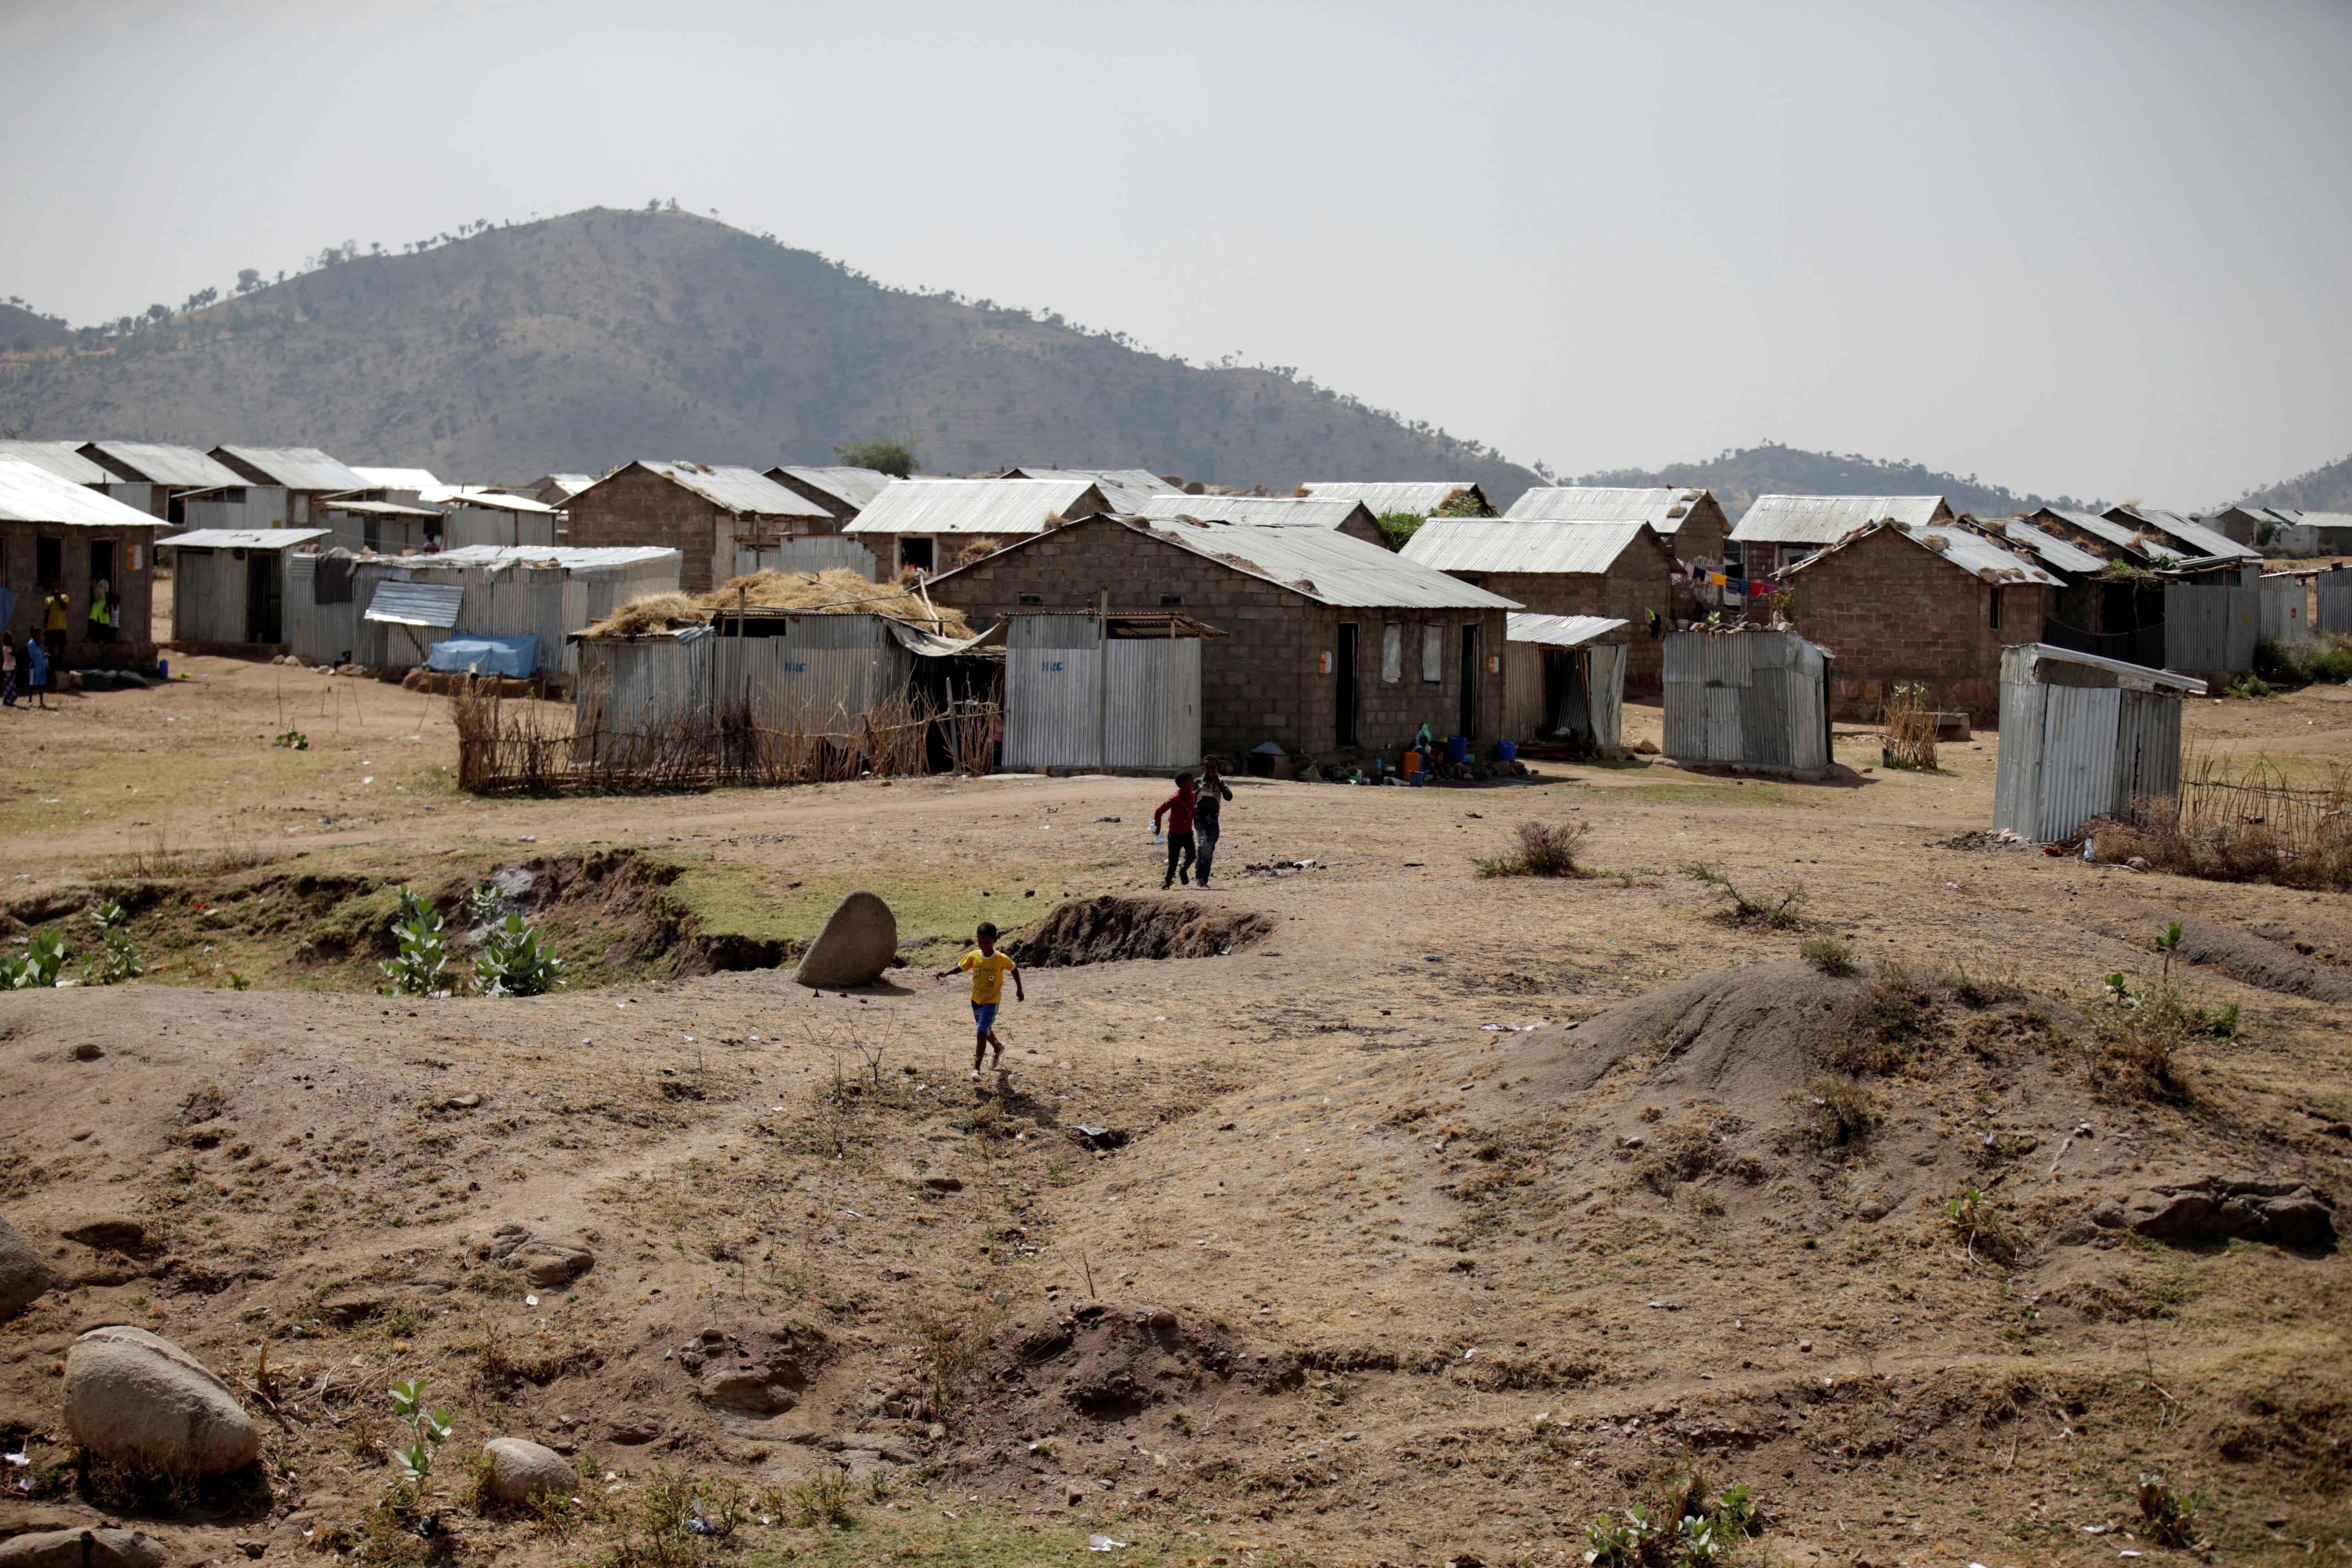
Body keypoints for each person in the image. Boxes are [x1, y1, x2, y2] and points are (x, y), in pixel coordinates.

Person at [936, 921, 1022, 1078]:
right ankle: (998, 1048)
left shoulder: (1001, 959)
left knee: (981, 1032)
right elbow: (961, 967)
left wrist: (1019, 989)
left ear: (995, 940)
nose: (984, 946)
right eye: (981, 942)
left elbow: (1014, 969)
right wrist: (946, 974)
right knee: (985, 1030)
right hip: (976, 1001)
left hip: (992, 1001)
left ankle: (976, 1069)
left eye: (987, 942)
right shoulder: (974, 956)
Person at [1192, 756, 1234, 887]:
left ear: (1217, 768)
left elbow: (1229, 797)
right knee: (1202, 845)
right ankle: (1199, 877)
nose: (1210, 770)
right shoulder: (1198, 782)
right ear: (1203, 768)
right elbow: (1191, 800)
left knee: (1210, 848)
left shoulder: (1221, 782)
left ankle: (1205, 880)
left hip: (1213, 820)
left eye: (1213, 768)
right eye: (1208, 767)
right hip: (1201, 819)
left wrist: (1220, 784)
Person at [1153, 771, 1197, 888]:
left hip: (1188, 833)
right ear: (1182, 785)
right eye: (1190, 781)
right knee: (1173, 861)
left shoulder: (1193, 796)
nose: (1193, 783)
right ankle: (1167, 882)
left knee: (1192, 856)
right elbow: (1159, 811)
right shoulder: (1175, 798)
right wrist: (1158, 827)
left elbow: (1193, 811)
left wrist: (1196, 823)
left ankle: (1183, 870)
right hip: (1175, 835)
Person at [43, 587, 69, 676]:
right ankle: (52, 671)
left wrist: (59, 598)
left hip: (61, 629)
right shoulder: (48, 600)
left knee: (62, 650)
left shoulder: (65, 597)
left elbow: (64, 608)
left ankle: (63, 671)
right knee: (51, 651)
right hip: (50, 630)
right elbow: (46, 615)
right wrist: (45, 628)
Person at [26, 631, 48, 708]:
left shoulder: (39, 644)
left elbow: (40, 654)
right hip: (34, 666)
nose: (40, 637)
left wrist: (44, 655)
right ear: (35, 635)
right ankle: (30, 701)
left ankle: (41, 702)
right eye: (39, 635)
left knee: (41, 685)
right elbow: (33, 655)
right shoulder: (31, 644)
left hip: (40, 666)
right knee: (32, 684)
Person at [1, 634, 15, 707]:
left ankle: (8, 701)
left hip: (9, 668)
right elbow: (14, 654)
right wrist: (14, 645)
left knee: (8, 686)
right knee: (10, 686)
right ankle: (8, 701)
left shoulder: (5, 648)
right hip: (9, 668)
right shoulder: (8, 648)